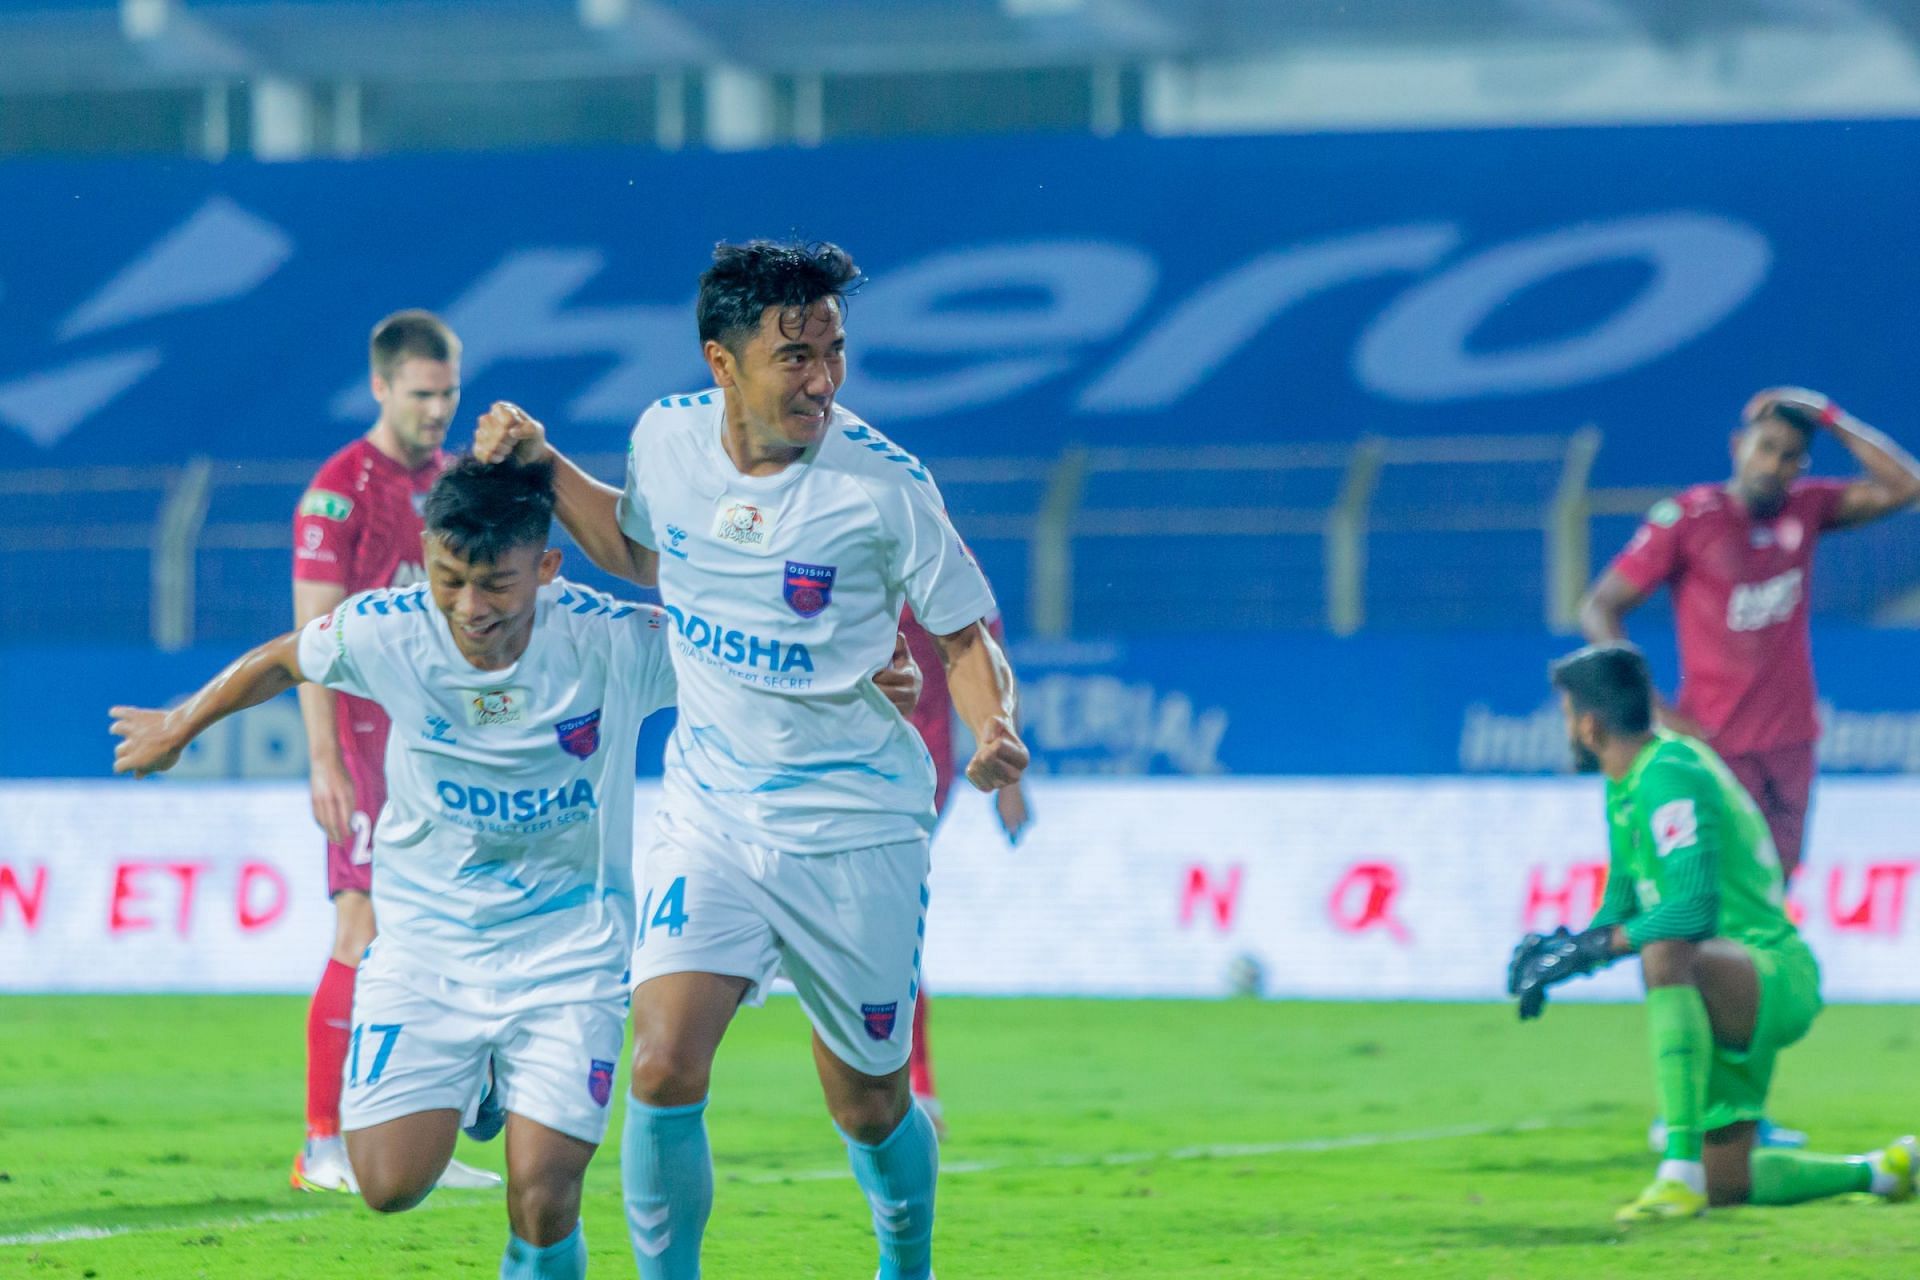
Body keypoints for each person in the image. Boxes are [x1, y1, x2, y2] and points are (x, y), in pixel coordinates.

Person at [113, 455, 930, 1276]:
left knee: (542, 1193)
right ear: (430, 555)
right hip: (428, 952)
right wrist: (178, 724)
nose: (470, 607)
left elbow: (750, 655)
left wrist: (863, 675)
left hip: (570, 953)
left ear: (545, 567)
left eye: (495, 585)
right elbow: (285, 658)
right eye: (450, 578)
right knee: (387, 1184)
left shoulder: (610, 641)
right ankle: (485, 1088)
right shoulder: (388, 629)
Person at [474, 238, 1028, 1280]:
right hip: (712, 811)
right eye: (795, 354)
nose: (821, 376)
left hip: (854, 825)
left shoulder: (885, 485)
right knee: (663, 1059)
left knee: (867, 1099)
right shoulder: (665, 436)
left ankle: (906, 1260)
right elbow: (645, 550)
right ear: (721, 363)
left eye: (833, 349)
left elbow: (963, 635)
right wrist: (547, 465)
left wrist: (991, 726)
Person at [1507, 642, 1914, 1225]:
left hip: (1766, 970)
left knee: (1667, 949)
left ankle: (1676, 1172)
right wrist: (1568, 953)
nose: (1567, 727)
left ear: (1589, 723)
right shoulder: (1628, 782)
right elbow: (1621, 902)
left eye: (1568, 714)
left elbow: (1692, 913)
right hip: (1727, 978)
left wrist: (1595, 948)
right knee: (1731, 1181)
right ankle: (1880, 1170)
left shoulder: (1669, 774)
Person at [290, 309, 496, 1193]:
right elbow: (310, 641)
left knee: (433, 942)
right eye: (422, 394)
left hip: (440, 750)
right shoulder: (338, 491)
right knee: (359, 927)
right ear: (380, 387)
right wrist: (325, 760)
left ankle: (416, 1139)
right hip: (368, 750)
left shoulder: (453, 484)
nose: (438, 410)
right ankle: (323, 1145)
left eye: (449, 392)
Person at [1580, 387, 1920, 887]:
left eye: (1789, 457)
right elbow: (1598, 608)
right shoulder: (1690, 519)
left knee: (1771, 894)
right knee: (1706, 896)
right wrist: (1649, 708)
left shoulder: (1807, 508)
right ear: (1738, 445)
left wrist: (1830, 415)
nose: (1773, 465)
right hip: (1714, 743)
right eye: (1765, 448)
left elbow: (1906, 486)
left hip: (1790, 745)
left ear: (1800, 466)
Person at [897, 606, 1030, 1136]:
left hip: (914, 772)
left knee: (891, 922)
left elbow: (987, 658)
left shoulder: (935, 547)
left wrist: (1010, 775)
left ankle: (915, 1085)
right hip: (807, 765)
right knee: (850, 928)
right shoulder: (779, 527)